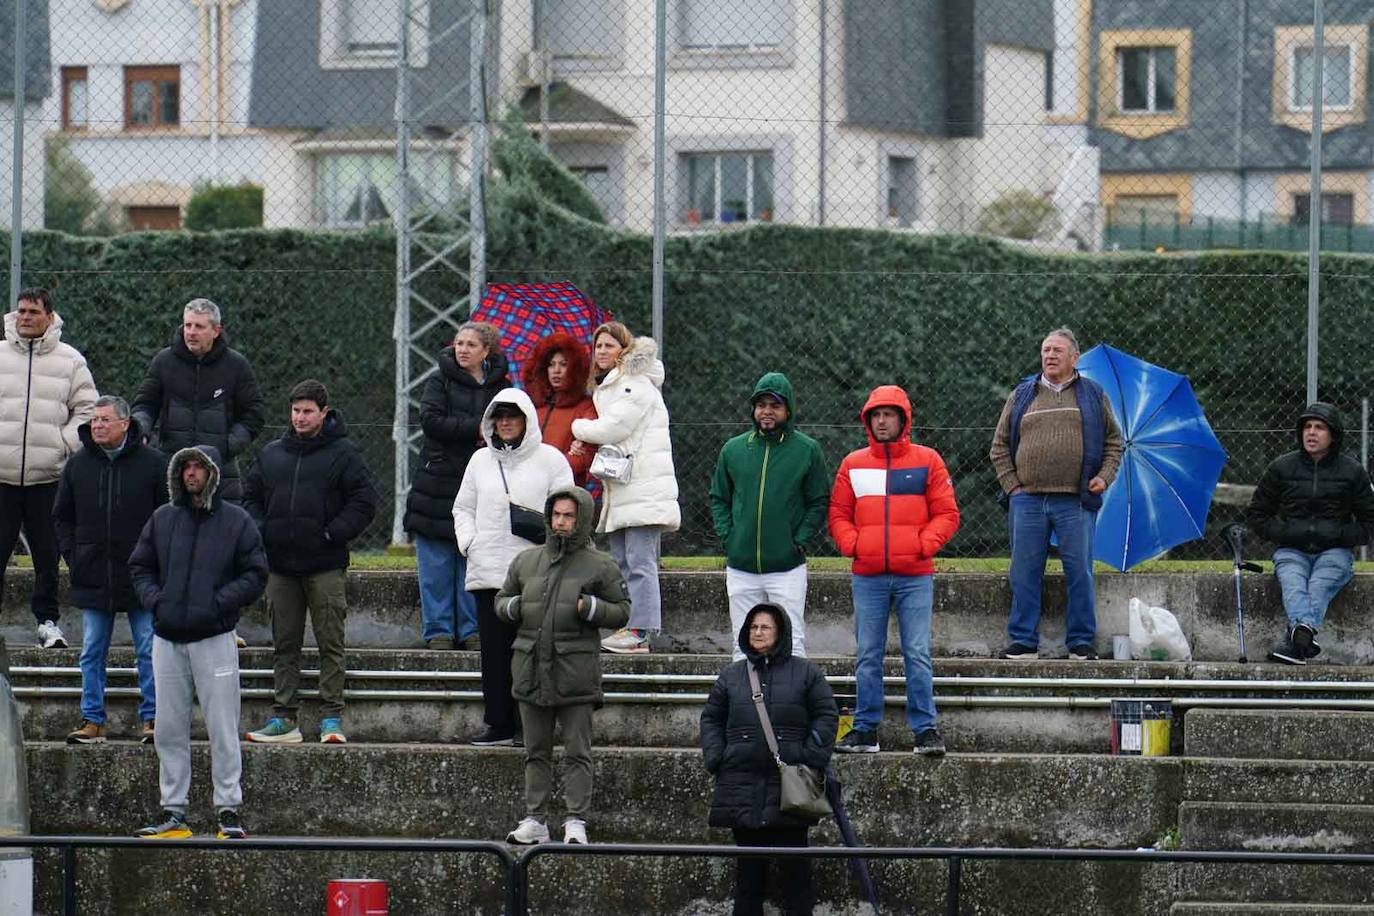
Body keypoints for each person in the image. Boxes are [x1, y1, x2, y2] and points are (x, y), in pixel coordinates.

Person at [128, 446, 268, 840]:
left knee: (223, 726)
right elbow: (139, 566)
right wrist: (159, 602)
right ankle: (174, 812)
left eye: (198, 467)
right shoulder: (162, 519)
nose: (191, 473)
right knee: (169, 728)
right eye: (185, 467)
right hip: (167, 638)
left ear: (213, 474)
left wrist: (217, 603)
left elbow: (256, 573)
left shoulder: (236, 522)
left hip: (215, 638)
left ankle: (228, 812)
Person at [243, 380, 378, 744]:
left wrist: (332, 532)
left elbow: (364, 501)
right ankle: (284, 718)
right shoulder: (271, 453)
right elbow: (250, 496)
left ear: (323, 413)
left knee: (330, 642)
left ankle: (331, 718)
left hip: (325, 565)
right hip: (280, 567)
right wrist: (262, 530)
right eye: (295, 411)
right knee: (283, 644)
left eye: (307, 411)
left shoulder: (345, 454)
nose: (300, 418)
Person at [828, 386, 960, 756]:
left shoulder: (928, 460)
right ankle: (866, 730)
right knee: (868, 653)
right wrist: (854, 545)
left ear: (903, 419)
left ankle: (925, 730)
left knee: (916, 652)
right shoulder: (852, 464)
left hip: (914, 575)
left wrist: (921, 545)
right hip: (868, 575)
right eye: (876, 414)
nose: (882, 420)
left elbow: (947, 514)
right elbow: (838, 514)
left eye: (889, 414)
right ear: (868, 420)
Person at [496, 487, 632, 845]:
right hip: (529, 669)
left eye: (568, 515)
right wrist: (514, 608)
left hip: (576, 675)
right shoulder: (526, 560)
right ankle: (535, 820)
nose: (560, 522)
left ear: (582, 519)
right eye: (556, 514)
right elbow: (502, 600)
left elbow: (623, 611)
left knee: (577, 752)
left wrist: (590, 608)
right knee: (534, 751)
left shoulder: (601, 565)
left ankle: (575, 821)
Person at [988, 327, 1122, 661]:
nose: (1049, 355)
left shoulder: (1092, 394)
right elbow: (999, 446)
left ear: (1075, 357)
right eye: (1046, 350)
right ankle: (1023, 641)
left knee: (1079, 572)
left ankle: (1079, 642)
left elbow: (1113, 443)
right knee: (1024, 572)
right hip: (1027, 500)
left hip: (1075, 500)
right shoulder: (1021, 395)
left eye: (1057, 350)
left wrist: (1104, 477)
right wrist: (1013, 488)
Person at [700, 603, 837, 916]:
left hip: (790, 787)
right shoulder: (732, 676)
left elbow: (826, 716)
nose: (757, 632)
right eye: (753, 627)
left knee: (797, 879)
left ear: (781, 632)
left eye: (765, 627)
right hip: (741, 786)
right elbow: (711, 719)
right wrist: (717, 757)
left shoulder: (807, 673)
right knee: (748, 880)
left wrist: (807, 754)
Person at [453, 389, 573, 746]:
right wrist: (469, 543)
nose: (505, 422)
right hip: (488, 570)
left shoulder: (551, 460)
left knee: (536, 653)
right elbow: (462, 508)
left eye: (512, 415)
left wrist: (554, 552)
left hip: (536, 572)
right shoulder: (478, 461)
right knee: (494, 653)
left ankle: (531, 726)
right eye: (499, 416)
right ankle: (499, 724)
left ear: (526, 419)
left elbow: (568, 509)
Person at [53, 395, 168, 745]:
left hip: (141, 577)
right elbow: (62, 517)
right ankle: (92, 720)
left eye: (105, 420)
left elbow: (166, 518)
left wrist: (156, 562)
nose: (97, 426)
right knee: (91, 650)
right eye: (95, 420)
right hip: (92, 573)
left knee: (149, 650)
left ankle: (153, 720)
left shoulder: (153, 464)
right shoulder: (77, 465)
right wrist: (75, 555)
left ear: (125, 423)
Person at [571, 321, 680, 654]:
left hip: (643, 487)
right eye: (598, 347)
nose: (601, 352)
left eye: (609, 346)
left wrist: (578, 428)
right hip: (623, 487)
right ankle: (629, 625)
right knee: (622, 559)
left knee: (640, 561)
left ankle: (641, 631)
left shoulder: (634, 383)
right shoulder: (611, 386)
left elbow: (615, 427)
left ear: (624, 350)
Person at [0, 287, 98, 649]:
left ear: (49, 315)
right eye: (21, 311)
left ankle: (47, 623)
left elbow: (87, 411)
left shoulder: (70, 361)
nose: (25, 317)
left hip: (48, 479)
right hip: (1, 479)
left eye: (33, 311)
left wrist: (63, 445)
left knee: (47, 556)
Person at [404, 321, 511, 651]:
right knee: (435, 560)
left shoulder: (502, 387)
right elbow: (431, 421)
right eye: (459, 343)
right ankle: (438, 629)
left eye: (470, 345)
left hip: (484, 484)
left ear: (486, 351)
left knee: (473, 558)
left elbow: (510, 424)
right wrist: (476, 429)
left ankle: (472, 629)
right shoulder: (440, 380)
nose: (462, 349)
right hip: (437, 482)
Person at [710, 372, 829, 660]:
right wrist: (730, 537)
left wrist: (798, 540)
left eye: (775, 406)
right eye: (761, 405)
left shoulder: (807, 450)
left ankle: (790, 705)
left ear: (788, 410)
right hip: (741, 567)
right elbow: (718, 498)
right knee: (743, 644)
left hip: (787, 567)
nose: (767, 412)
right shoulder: (734, 449)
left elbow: (819, 500)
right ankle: (746, 705)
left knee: (792, 642)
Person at [1245, 402, 1374, 665]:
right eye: (1307, 427)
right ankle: (1301, 638)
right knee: (1293, 582)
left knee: (1319, 585)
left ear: (1333, 434)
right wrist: (1284, 532)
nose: (1311, 433)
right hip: (1292, 550)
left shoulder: (1352, 471)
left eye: (1319, 427)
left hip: (1335, 552)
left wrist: (1340, 535)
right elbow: (1257, 514)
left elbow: (1369, 521)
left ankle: (1296, 639)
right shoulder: (1281, 467)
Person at [130, 298, 265, 505]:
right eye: (187, 325)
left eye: (199, 326)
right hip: (171, 471)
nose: (191, 332)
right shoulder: (163, 362)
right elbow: (145, 405)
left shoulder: (236, 366)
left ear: (216, 330)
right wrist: (141, 430)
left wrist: (225, 447)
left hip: (221, 474)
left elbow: (254, 414)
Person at [521, 331, 598, 487]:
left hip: (565, 492)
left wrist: (546, 472)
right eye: (551, 364)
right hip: (527, 487)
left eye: (563, 364)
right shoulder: (532, 406)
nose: (556, 370)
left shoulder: (586, 407)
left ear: (574, 369)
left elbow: (585, 456)